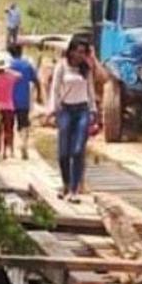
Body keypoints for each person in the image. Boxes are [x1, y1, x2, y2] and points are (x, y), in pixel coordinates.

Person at [48, 37, 97, 203]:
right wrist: (53, 110)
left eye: (85, 52)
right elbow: (54, 89)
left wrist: (93, 111)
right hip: (65, 110)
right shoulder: (62, 66)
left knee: (77, 151)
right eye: (80, 51)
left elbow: (90, 89)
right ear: (72, 51)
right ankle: (66, 184)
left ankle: (75, 190)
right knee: (63, 153)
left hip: (82, 110)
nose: (82, 55)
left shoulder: (86, 69)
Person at [9, 44, 42, 160]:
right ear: (21, 52)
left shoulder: (8, 65)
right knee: (24, 124)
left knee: (10, 125)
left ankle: (11, 150)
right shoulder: (27, 65)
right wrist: (39, 95)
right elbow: (36, 81)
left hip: (10, 100)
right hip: (24, 99)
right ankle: (23, 144)